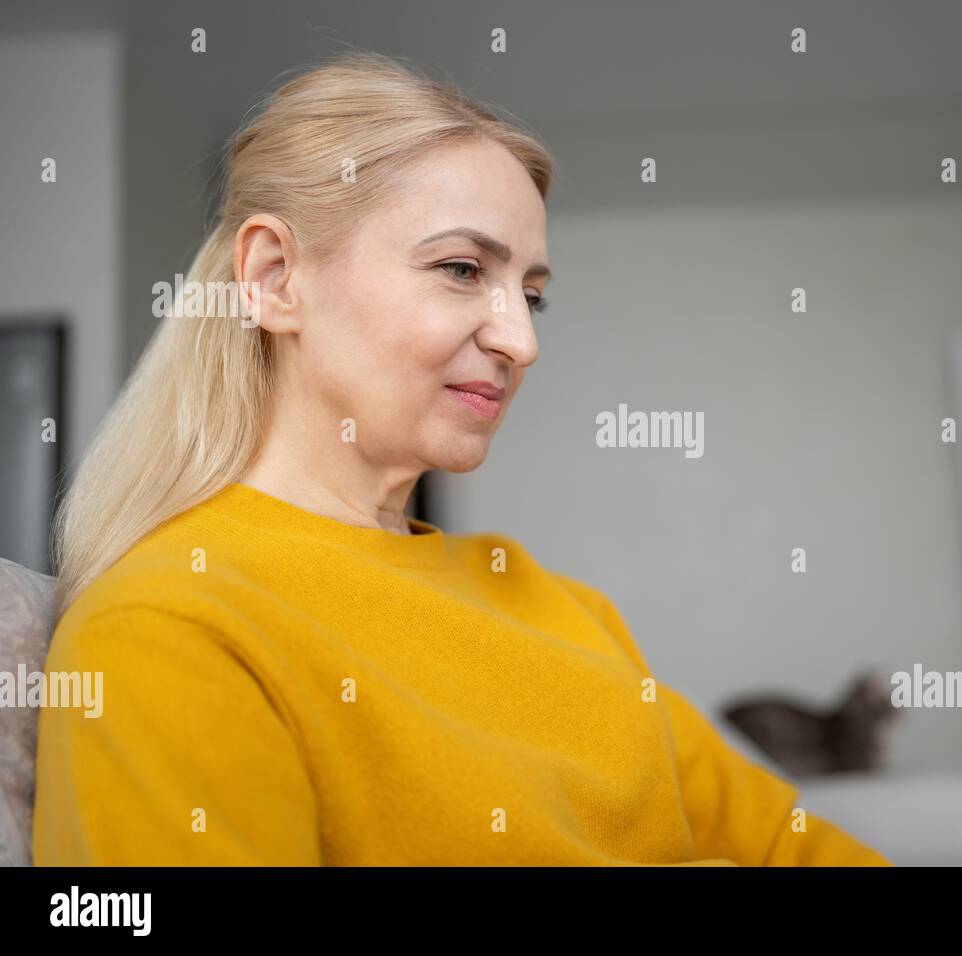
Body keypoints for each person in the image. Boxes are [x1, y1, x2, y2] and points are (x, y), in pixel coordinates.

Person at [32, 52, 891, 867]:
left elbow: (793, 847)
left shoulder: (565, 609)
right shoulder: (168, 626)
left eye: (532, 297)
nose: (521, 342)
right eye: (460, 268)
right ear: (274, 277)